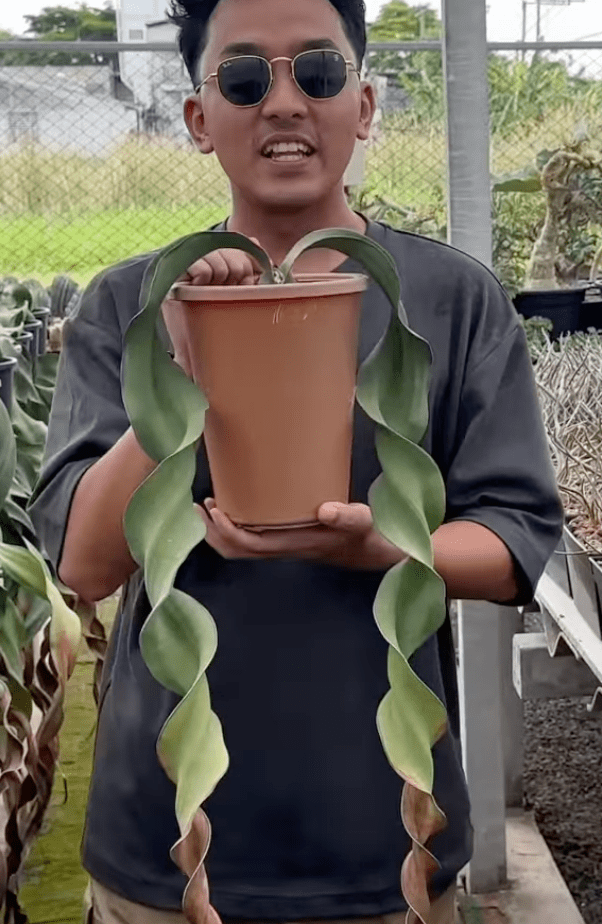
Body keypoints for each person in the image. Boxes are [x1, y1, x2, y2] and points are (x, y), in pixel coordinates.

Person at [28, 0, 564, 922]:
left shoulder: (447, 302)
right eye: (243, 78)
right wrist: (177, 371)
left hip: (385, 846)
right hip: (166, 853)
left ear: (363, 104)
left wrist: (390, 547)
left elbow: (516, 543)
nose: (282, 102)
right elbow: (83, 562)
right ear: (200, 120)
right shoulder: (133, 305)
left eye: (316, 72)